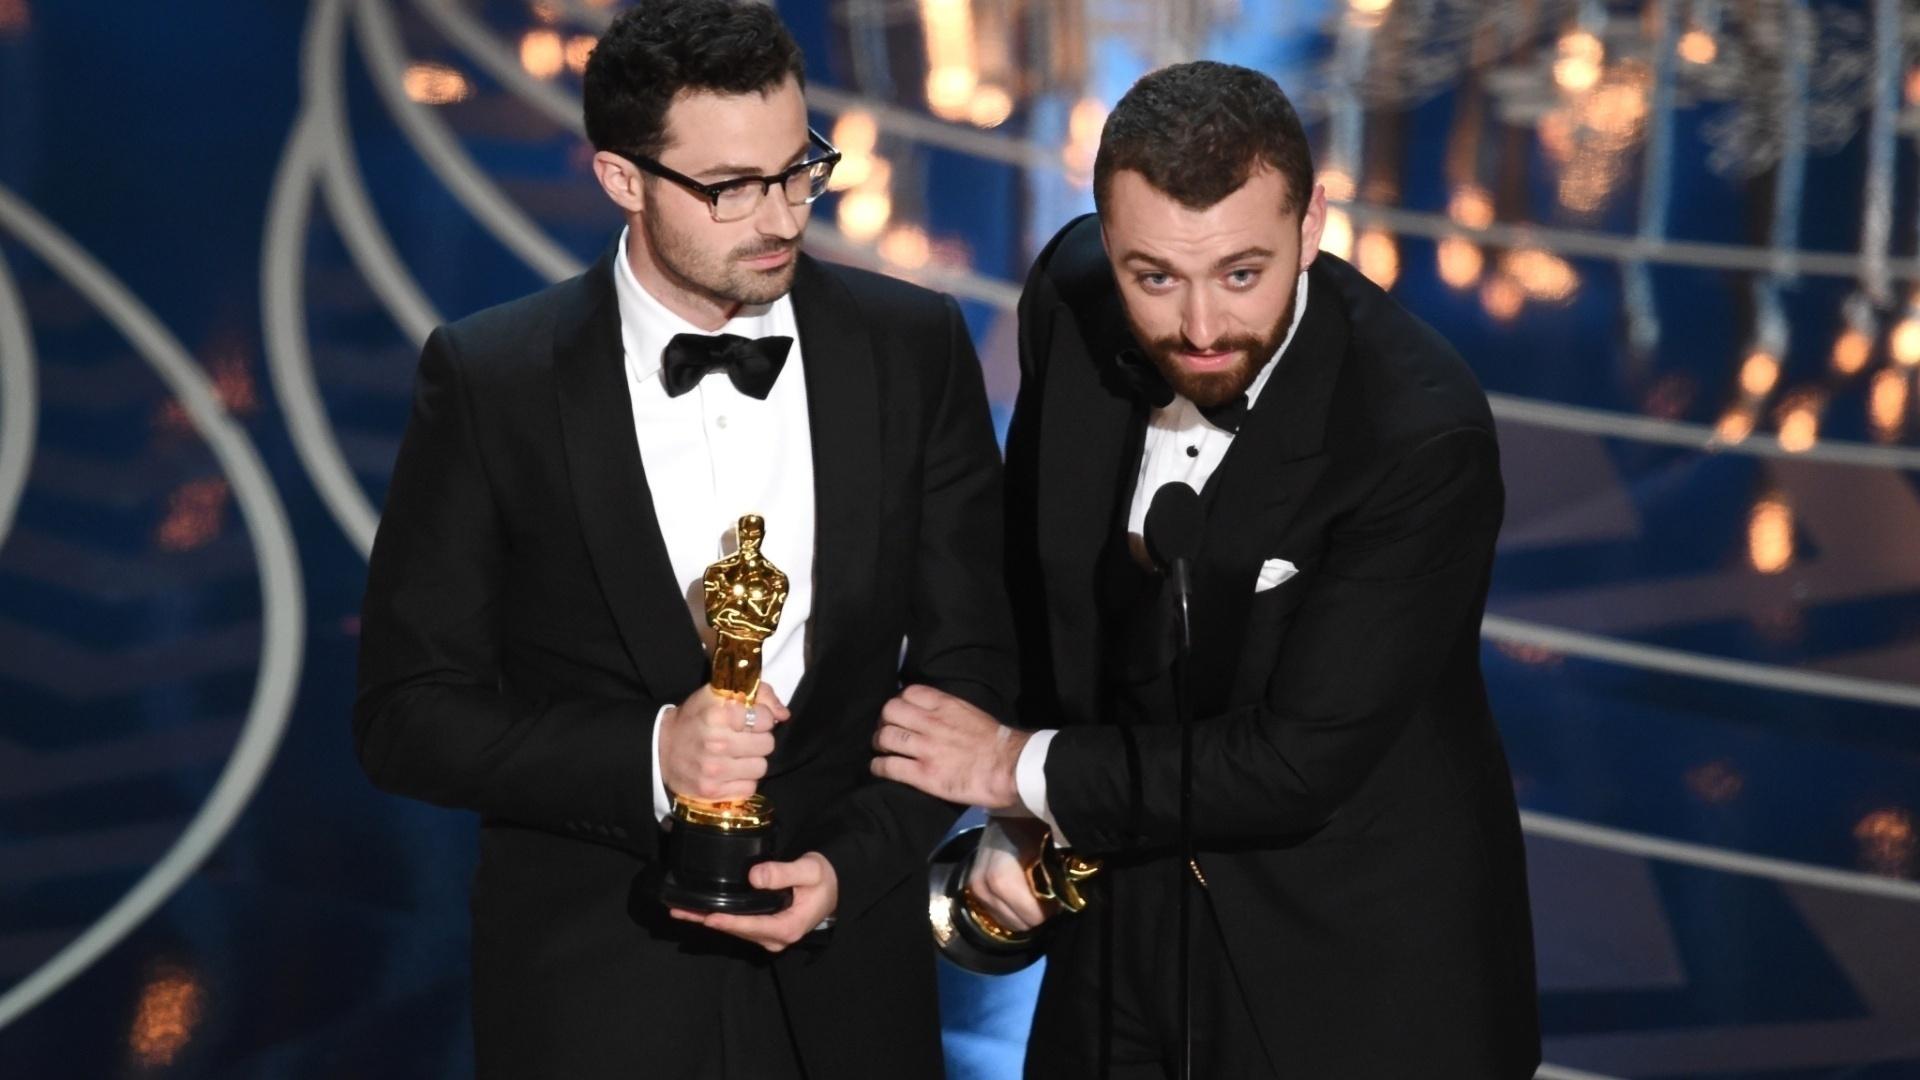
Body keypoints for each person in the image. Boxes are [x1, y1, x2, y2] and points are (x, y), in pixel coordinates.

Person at [353, 2, 1014, 1076]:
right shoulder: (494, 381)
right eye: (730, 189)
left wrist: (850, 866)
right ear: (622, 179)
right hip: (593, 994)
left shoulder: (912, 348)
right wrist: (652, 754)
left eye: (799, 168)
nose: (783, 217)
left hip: (850, 995)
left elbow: (973, 664)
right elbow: (406, 716)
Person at [873, 61, 1539, 1078]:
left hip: (1344, 967)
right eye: (1154, 277)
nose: (1199, 327)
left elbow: (1292, 765)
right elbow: (1046, 584)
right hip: (1119, 925)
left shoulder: (1417, 436)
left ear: (1313, 224)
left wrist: (1016, 766)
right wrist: (1030, 824)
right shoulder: (1072, 293)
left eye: (1241, 273)